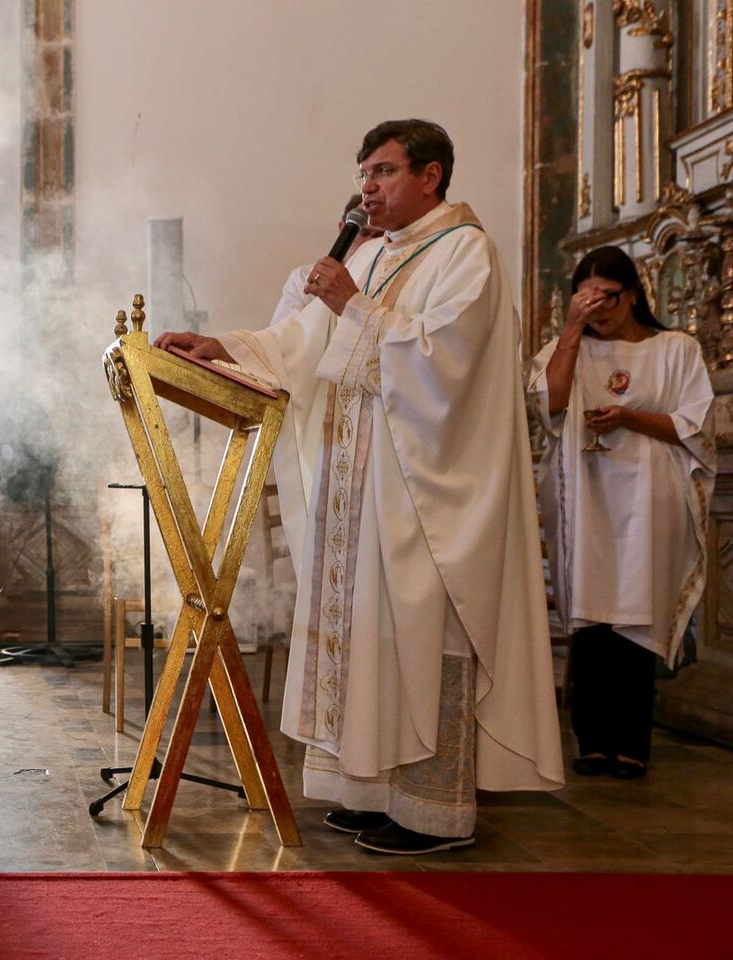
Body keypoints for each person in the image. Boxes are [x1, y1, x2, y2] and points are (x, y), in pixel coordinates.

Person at [156, 119, 564, 856]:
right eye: (363, 173)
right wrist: (224, 347)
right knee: (368, 638)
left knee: (416, 636)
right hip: (358, 499)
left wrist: (353, 305)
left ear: (430, 176)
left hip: (421, 501)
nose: (365, 189)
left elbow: (446, 365)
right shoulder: (374, 258)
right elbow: (302, 343)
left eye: (381, 172)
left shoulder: (465, 253)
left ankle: (434, 812)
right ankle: (372, 790)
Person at [530, 246, 713, 780]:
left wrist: (630, 417)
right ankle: (592, 741)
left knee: (636, 612)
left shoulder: (674, 348)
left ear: (632, 294)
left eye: (606, 297)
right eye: (584, 299)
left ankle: (631, 743)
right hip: (586, 498)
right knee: (590, 614)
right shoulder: (566, 349)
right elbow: (551, 406)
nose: (597, 310)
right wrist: (570, 330)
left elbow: (694, 426)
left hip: (648, 499)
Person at [270, 194, 383, 325]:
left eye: (379, 235)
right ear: (342, 228)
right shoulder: (302, 277)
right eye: (363, 233)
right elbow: (283, 331)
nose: (370, 242)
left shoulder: (383, 281)